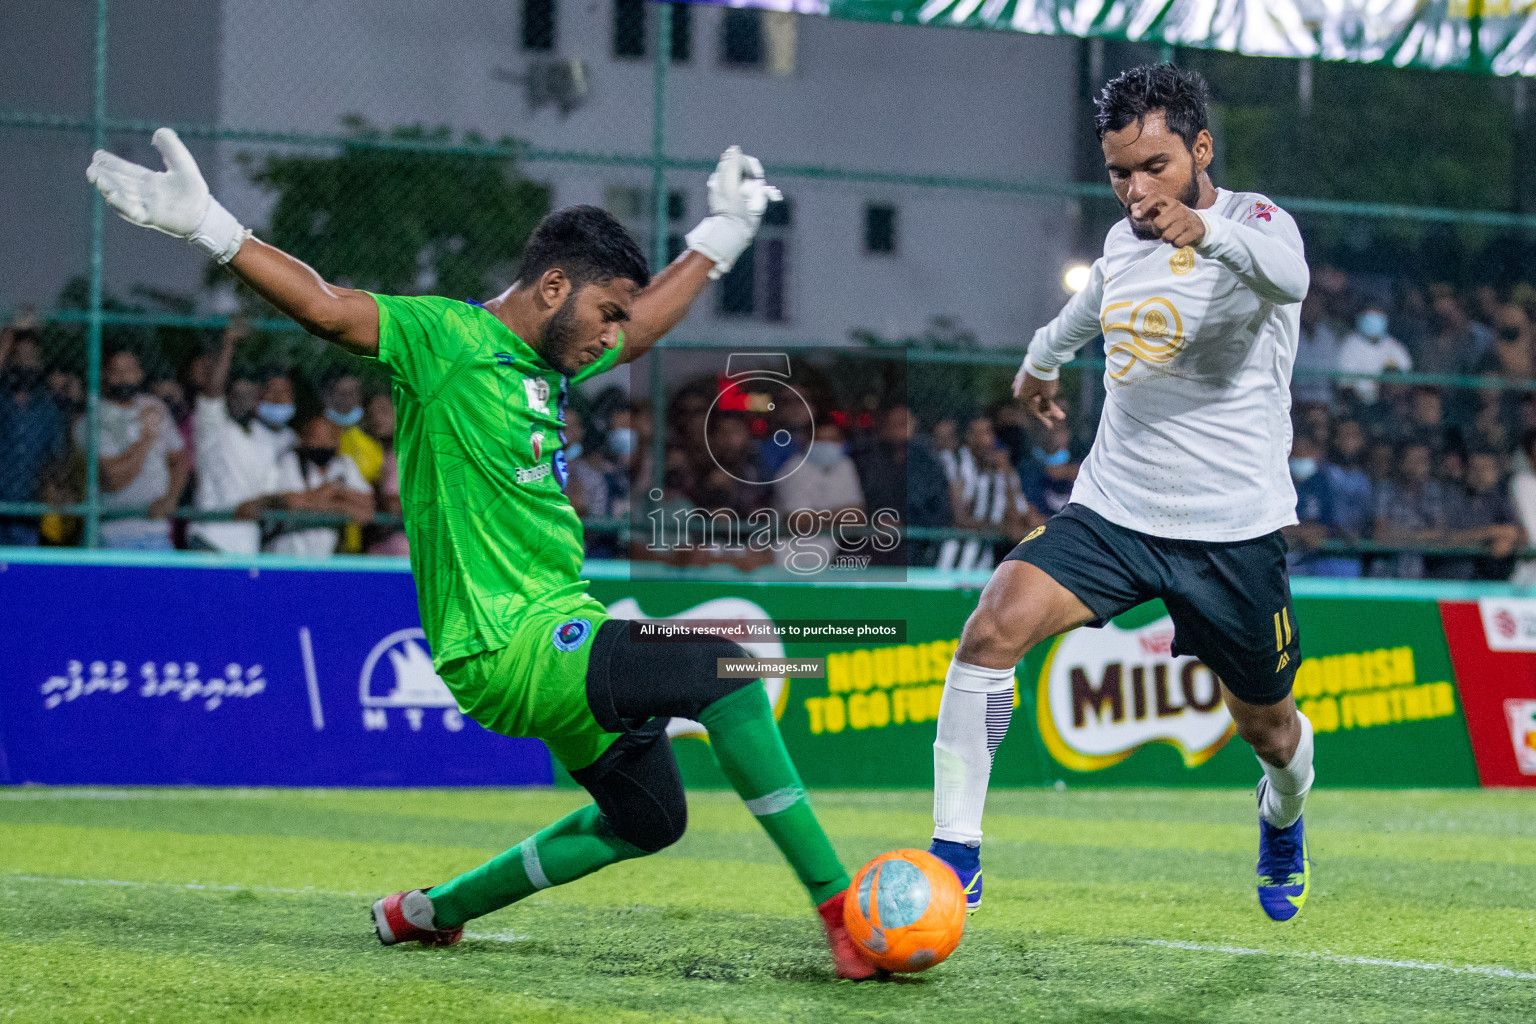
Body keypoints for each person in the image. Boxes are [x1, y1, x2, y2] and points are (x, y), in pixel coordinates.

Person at [88, 132, 876, 978]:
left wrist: (720, 235)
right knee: (721, 666)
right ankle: (841, 910)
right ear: (551, 286)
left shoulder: (550, 360)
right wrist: (210, 225)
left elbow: (641, 329)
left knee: (648, 819)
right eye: (604, 311)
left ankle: (427, 913)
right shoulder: (446, 341)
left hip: (562, 635)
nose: (612, 333)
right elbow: (326, 306)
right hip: (508, 647)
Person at [931, 65, 1315, 922]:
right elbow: (1093, 306)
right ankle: (955, 853)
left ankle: (1282, 813)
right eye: (1118, 172)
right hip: (1113, 512)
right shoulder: (1120, 242)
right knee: (992, 628)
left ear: (1200, 149)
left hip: (1232, 531)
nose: (1137, 191)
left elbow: (1290, 280)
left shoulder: (1256, 224)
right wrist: (1038, 365)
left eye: (1155, 167)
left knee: (1272, 733)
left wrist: (1202, 231)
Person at [188, 319, 294, 554]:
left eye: (250, 395)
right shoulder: (213, 427)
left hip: (248, 547)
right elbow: (212, 391)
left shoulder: (266, 440)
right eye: (238, 395)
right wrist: (228, 345)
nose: (244, 400)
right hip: (209, 540)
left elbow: (272, 493)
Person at [73, 349, 189, 549]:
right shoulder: (92, 419)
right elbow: (112, 480)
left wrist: (170, 499)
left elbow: (180, 459)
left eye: (130, 371)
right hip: (111, 534)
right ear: (105, 375)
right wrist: (146, 440)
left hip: (157, 532)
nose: (124, 378)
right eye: (117, 372)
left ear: (140, 373)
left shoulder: (155, 406)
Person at [251, 415, 375, 558]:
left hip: (326, 562)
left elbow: (366, 505)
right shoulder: (289, 462)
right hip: (287, 557)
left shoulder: (345, 465)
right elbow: (291, 503)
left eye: (329, 438)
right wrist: (340, 503)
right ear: (304, 439)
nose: (323, 443)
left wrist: (330, 495)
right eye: (316, 437)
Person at [937, 416, 1039, 573]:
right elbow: (959, 517)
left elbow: (1017, 523)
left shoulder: (1004, 473)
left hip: (982, 567)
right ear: (967, 437)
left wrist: (1005, 473)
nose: (984, 440)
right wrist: (998, 527)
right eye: (977, 434)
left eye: (987, 433)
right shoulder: (954, 463)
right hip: (950, 563)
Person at [0, 320, 66, 546]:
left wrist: (52, 490)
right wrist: (9, 334)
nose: (24, 365)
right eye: (18, 358)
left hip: (28, 514)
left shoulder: (47, 410)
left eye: (30, 359)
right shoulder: (2, 399)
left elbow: (54, 459)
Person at [772, 418, 864, 572]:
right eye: (820, 440)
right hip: (788, 559)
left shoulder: (846, 466)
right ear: (807, 441)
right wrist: (839, 515)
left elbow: (857, 516)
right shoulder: (793, 468)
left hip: (831, 557)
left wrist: (815, 517)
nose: (827, 445)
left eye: (832, 440)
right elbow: (798, 521)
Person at [1433, 448, 1523, 581]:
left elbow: (1518, 533)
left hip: (1492, 581)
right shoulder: (1450, 496)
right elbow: (1443, 537)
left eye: (1486, 468)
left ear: (1496, 473)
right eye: (1475, 468)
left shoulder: (1500, 499)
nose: (1480, 474)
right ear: (1465, 470)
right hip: (1452, 578)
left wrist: (1510, 539)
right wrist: (1489, 533)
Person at [1370, 442, 1447, 580]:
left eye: (1423, 461)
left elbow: (1440, 534)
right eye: (1414, 461)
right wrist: (1422, 535)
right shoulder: (1385, 489)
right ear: (1401, 463)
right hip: (1385, 574)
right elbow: (1380, 534)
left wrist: (1400, 535)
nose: (1419, 466)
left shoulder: (1433, 490)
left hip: (1422, 576)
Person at [1337, 304, 1411, 405]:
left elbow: (1405, 376)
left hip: (1388, 404)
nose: (1374, 321)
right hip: (1358, 404)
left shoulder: (1393, 345)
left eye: (1378, 317)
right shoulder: (1350, 344)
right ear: (1360, 320)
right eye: (1370, 318)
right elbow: (1345, 385)